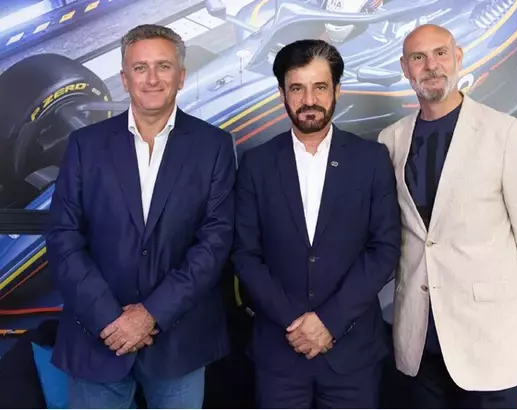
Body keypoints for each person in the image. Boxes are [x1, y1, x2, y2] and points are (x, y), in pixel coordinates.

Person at [46, 24, 235, 408]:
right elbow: (64, 238)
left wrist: (151, 314)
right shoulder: (85, 145)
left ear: (181, 76)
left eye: (163, 66)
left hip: (179, 341)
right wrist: (108, 318)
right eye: (140, 68)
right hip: (98, 336)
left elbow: (215, 243)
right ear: (123, 78)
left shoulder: (214, 146)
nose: (152, 79)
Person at [377, 24, 517, 408]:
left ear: (458, 57)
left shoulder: (505, 132)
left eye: (440, 53)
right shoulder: (390, 140)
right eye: (418, 57)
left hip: (488, 339)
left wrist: (497, 296)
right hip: (419, 340)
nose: (431, 65)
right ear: (405, 68)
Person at [232, 39, 402, 408]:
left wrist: (329, 322)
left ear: (337, 90)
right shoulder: (256, 164)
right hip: (279, 352)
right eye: (297, 88)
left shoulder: (371, 160)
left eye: (320, 86)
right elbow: (245, 255)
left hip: (352, 354)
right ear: (282, 94)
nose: (309, 99)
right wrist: (295, 322)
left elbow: (384, 249)